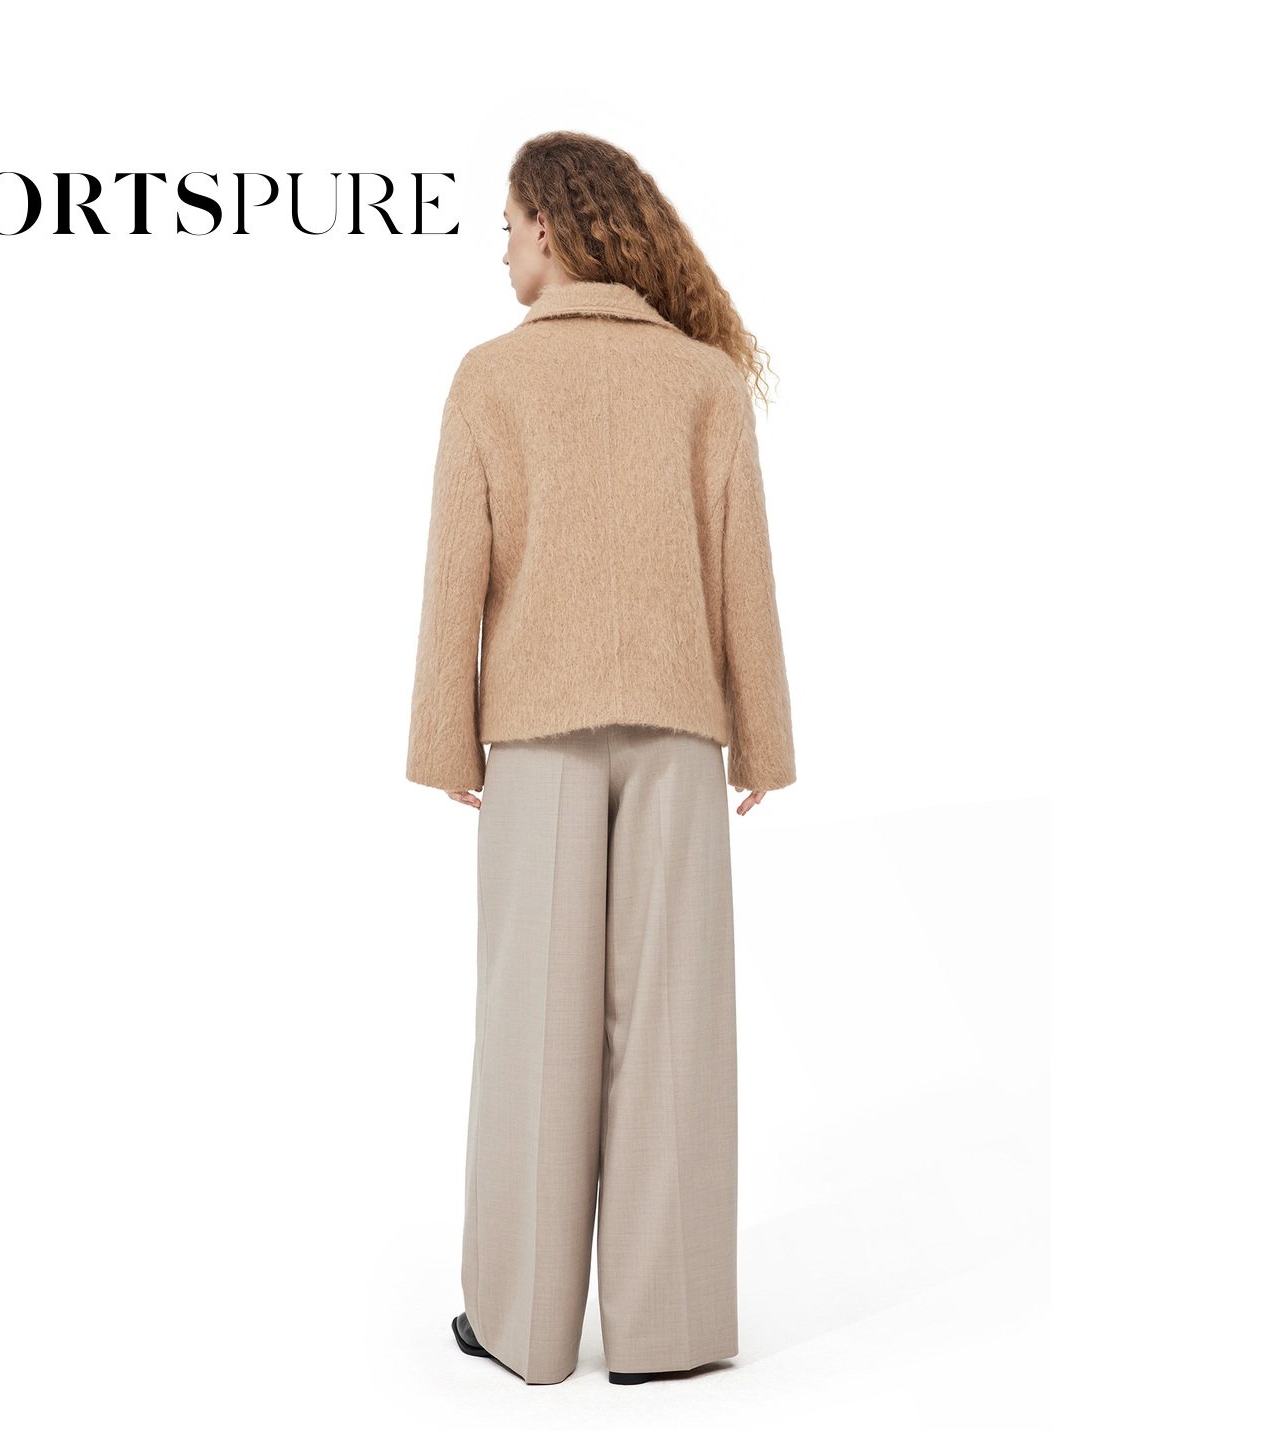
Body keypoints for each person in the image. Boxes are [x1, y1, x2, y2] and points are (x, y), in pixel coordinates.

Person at [406, 131, 797, 1386]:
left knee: (534, 1025)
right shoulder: (702, 380)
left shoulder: (491, 379)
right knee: (674, 1025)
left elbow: (456, 580)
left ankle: (521, 1326)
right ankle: (668, 1332)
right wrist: (763, 739)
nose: (500, 249)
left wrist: (445, 737)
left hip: (536, 739)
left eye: (508, 225)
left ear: (553, 227)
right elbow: (742, 573)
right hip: (680, 733)